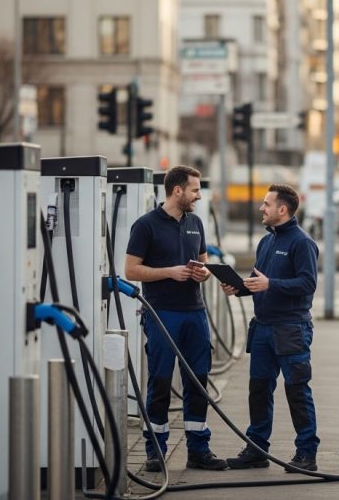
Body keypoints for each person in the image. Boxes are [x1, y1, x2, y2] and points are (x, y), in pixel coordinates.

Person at [124, 165, 226, 472]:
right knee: (161, 380)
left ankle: (198, 449)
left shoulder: (195, 222)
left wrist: (202, 273)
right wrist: (169, 272)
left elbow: (205, 266)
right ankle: (156, 449)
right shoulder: (146, 225)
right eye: (194, 190)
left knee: (198, 380)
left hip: (195, 312)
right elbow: (131, 270)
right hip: (161, 313)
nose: (198, 195)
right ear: (177, 190)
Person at [221, 184, 321, 472]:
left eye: (266, 204)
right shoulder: (266, 242)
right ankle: (256, 450)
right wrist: (238, 288)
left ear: (283, 209)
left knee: (297, 391)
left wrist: (271, 284)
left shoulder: (302, 243)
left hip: (291, 329)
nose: (261, 208)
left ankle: (306, 454)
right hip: (263, 329)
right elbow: (257, 281)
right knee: (259, 390)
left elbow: (307, 284)